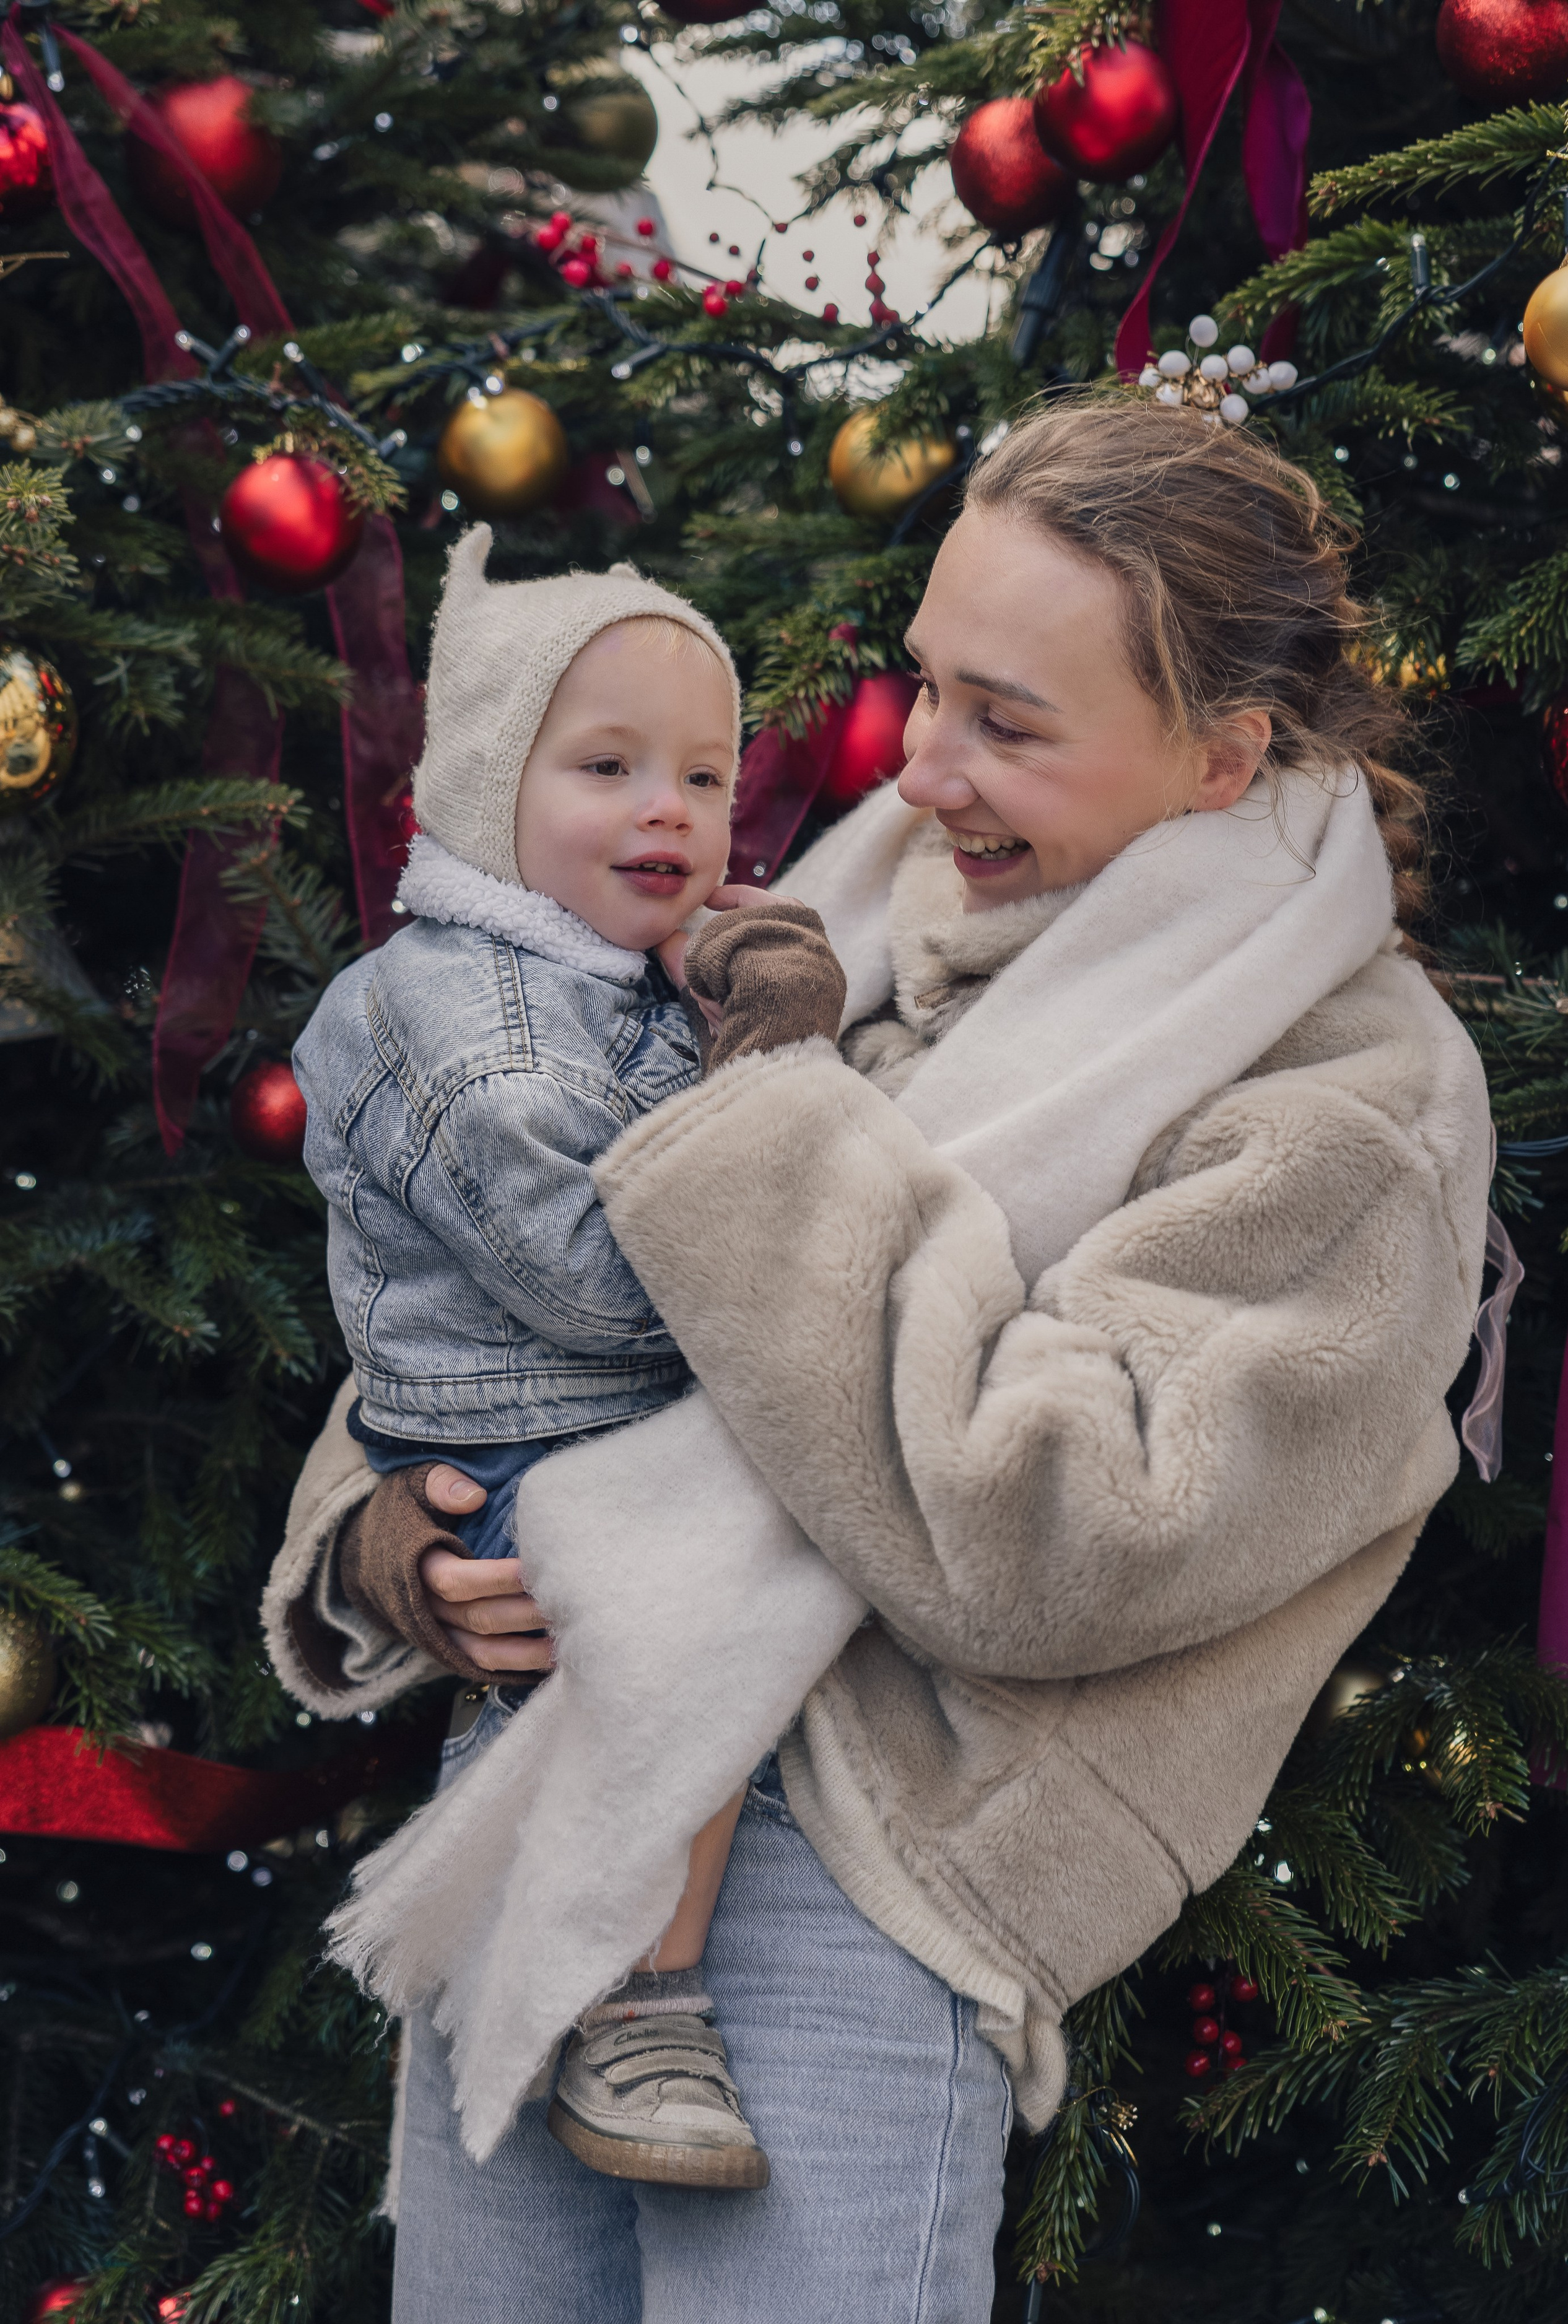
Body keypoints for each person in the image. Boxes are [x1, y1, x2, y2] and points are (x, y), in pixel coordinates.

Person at [264, 396, 1494, 2323]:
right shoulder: (845, 925)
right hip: (559, 1785)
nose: (921, 773)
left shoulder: (1343, 1102)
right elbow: (517, 1288)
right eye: (925, 688)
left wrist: (766, 1125)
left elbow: (1056, 1534)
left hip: (858, 1883)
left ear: (1223, 754)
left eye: (1008, 721)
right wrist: (380, 1538)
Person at [291, 529, 843, 2192]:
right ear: (484, 786)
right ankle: (631, 1994)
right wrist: (771, 1062)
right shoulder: (483, 1029)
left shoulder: (590, 973)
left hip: (580, 1419)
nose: (667, 810)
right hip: (542, 1435)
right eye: (607, 767)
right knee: (695, 1638)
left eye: (699, 769)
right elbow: (611, 1292)